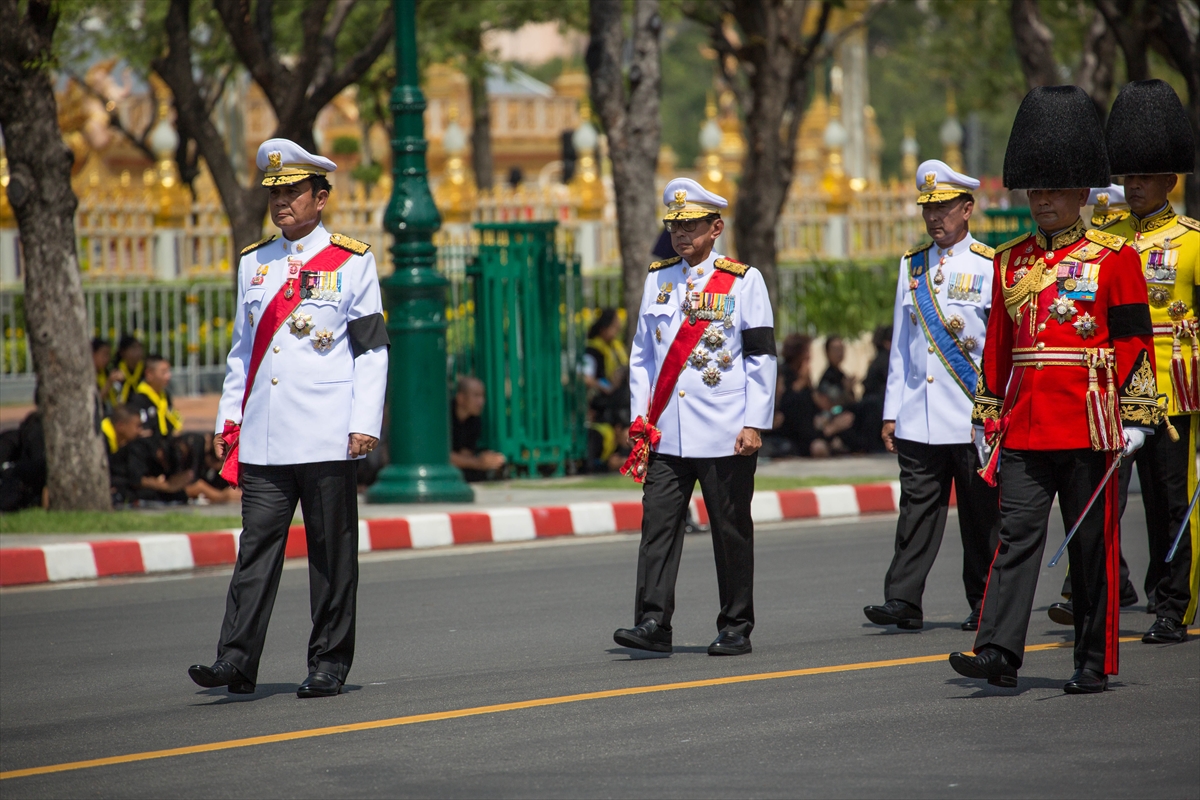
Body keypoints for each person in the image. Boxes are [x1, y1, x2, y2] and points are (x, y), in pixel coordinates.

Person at [950, 86, 1159, 695]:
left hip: (1091, 423)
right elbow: (997, 348)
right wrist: (987, 413)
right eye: (1035, 189)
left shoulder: (1114, 258)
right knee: (1014, 537)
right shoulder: (1009, 261)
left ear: (1082, 192)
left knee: (1092, 545)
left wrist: (1137, 416)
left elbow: (1134, 340)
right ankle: (998, 650)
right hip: (1025, 424)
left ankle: (1092, 660)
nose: (1042, 199)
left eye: (1055, 189)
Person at [189, 138, 389, 699]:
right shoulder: (254, 261)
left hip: (327, 431)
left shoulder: (353, 260)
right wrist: (229, 420)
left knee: (331, 555)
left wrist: (364, 421)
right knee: (255, 549)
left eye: (293, 192)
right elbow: (242, 351)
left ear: (320, 198)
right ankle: (235, 660)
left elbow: (372, 348)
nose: (281, 201)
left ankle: (328, 662)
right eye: (274, 192)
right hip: (265, 434)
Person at [613, 177, 777, 657]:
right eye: (674, 225)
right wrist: (640, 419)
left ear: (715, 228)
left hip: (726, 430)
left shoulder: (744, 281)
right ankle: (652, 622)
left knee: (730, 531)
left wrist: (754, 423)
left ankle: (736, 626)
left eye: (691, 225)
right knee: (658, 527)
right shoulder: (657, 279)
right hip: (666, 430)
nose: (681, 234)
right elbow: (642, 357)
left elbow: (761, 356)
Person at [1065, 79, 1197, 644]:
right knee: (1099, 497)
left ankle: (1172, 603)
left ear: (1170, 181)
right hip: (1110, 393)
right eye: (1129, 176)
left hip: (1170, 393)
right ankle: (1095, 590)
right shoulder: (1104, 239)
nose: (1134, 185)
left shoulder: (1193, 241)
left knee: (1169, 504)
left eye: (1146, 176)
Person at [865, 159, 1001, 633]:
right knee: (916, 510)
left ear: (967, 209)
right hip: (918, 415)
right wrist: (892, 412)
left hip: (970, 415)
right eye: (928, 208)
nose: (934, 217)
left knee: (981, 517)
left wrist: (995, 411)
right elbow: (902, 347)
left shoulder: (989, 265)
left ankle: (985, 601)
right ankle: (902, 599)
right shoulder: (912, 264)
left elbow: (997, 350)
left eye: (943, 207)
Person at [450, 376, 506, 481]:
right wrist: (478, 462)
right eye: (476, 396)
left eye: (482, 396)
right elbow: (442, 456)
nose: (481, 401)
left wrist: (487, 461)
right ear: (461, 398)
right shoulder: (444, 417)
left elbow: (465, 455)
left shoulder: (474, 421)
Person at [583, 309, 630, 425]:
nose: (618, 330)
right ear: (604, 328)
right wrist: (605, 387)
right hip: (601, 408)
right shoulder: (592, 351)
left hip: (619, 403)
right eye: (614, 327)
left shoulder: (616, 348)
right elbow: (585, 378)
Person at [107, 334, 144, 407]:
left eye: (140, 347)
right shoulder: (115, 371)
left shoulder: (145, 370)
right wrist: (110, 382)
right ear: (123, 352)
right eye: (133, 348)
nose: (138, 351)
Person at [93, 338, 113, 412]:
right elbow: (95, 401)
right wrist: (109, 382)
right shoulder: (89, 377)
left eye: (109, 355)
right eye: (104, 355)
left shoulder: (106, 373)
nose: (107, 359)